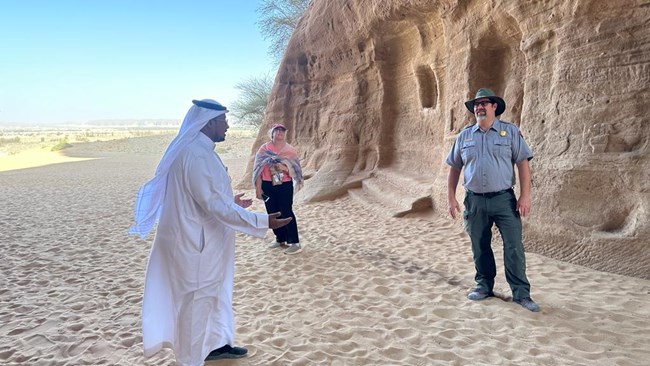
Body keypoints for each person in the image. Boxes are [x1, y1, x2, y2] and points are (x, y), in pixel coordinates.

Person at [129, 99, 292, 365]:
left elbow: (208, 197)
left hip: (207, 243)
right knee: (196, 305)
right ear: (208, 123)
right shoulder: (195, 154)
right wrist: (262, 222)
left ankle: (216, 345)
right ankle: (191, 360)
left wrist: (233, 202)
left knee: (215, 297)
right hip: (195, 246)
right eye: (223, 120)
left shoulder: (201, 151)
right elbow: (212, 204)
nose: (227, 126)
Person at [445, 88, 540, 312]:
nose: (479, 107)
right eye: (476, 104)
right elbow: (454, 169)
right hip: (474, 201)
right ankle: (483, 286)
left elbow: (523, 164)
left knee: (513, 246)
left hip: (504, 200)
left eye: (484, 103)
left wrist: (525, 196)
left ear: (494, 107)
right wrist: (451, 198)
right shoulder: (465, 136)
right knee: (480, 245)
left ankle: (521, 294)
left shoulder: (510, 132)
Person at [252, 123, 304, 255]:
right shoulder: (264, 149)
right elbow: (257, 170)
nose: (280, 132)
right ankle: (280, 238)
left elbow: (295, 171)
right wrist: (258, 188)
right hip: (267, 185)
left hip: (284, 185)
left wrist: (285, 168)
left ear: (285, 133)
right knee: (272, 211)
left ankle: (294, 242)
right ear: (272, 133)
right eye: (277, 130)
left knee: (286, 211)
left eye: (282, 130)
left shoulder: (290, 150)